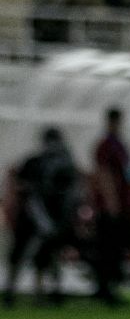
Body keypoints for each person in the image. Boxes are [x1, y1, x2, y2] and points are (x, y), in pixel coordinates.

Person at [3, 127, 79, 307]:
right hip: (37, 218)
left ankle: (29, 293)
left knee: (40, 257)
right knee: (33, 256)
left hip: (40, 218)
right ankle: (26, 293)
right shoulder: (49, 163)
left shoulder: (44, 163)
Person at [92, 107, 130, 305]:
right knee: (107, 249)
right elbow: (103, 174)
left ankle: (110, 286)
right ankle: (105, 288)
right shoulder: (106, 146)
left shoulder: (120, 145)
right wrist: (111, 202)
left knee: (115, 249)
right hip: (110, 206)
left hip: (121, 204)